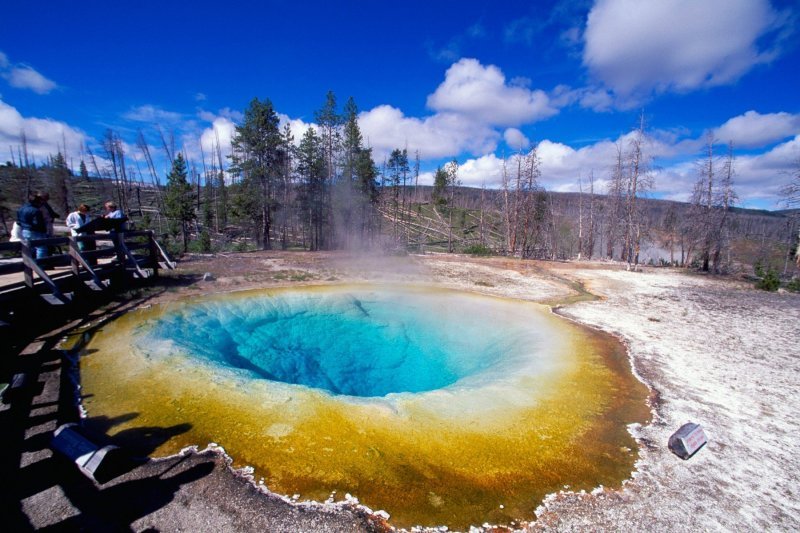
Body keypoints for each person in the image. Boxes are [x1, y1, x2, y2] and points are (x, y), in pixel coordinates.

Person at [17, 193, 49, 259]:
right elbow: (38, 223)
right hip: (36, 231)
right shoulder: (36, 211)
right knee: (41, 248)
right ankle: (40, 265)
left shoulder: (21, 209)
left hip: (25, 230)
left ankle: (30, 265)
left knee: (30, 248)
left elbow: (18, 222)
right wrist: (44, 231)